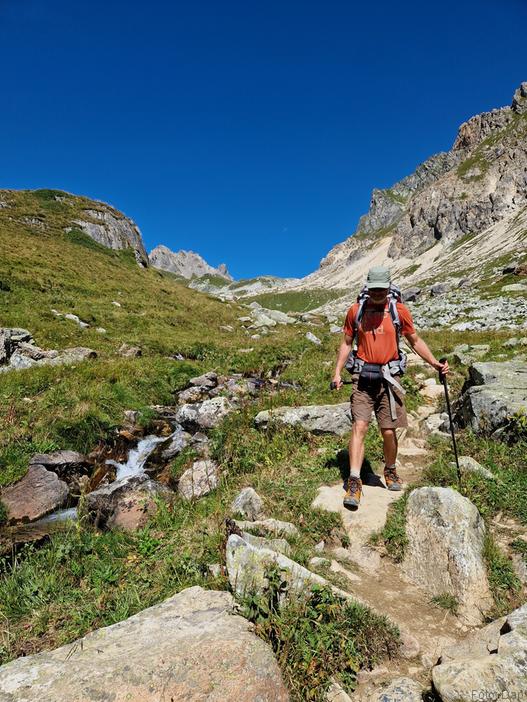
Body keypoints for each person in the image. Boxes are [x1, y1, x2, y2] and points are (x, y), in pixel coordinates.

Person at [331, 266, 449, 510]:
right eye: (373, 289)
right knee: (360, 426)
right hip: (362, 379)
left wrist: (435, 363)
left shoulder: (398, 311)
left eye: (381, 290)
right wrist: (337, 372)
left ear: (388, 288)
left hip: (389, 379)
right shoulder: (356, 311)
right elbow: (346, 343)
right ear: (368, 287)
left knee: (388, 431)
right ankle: (355, 480)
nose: (377, 294)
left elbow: (414, 340)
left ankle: (390, 469)